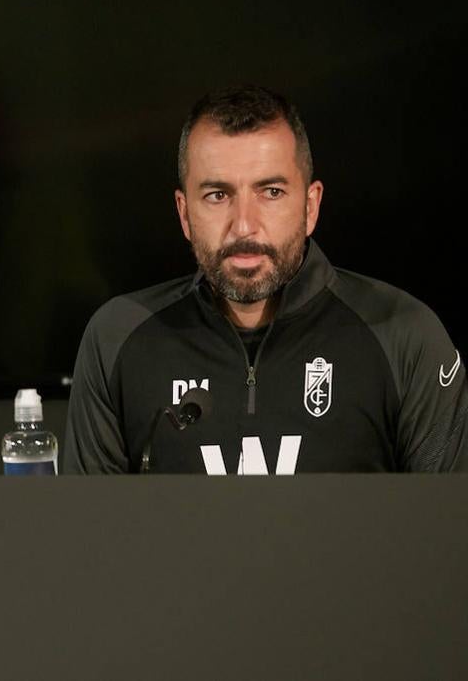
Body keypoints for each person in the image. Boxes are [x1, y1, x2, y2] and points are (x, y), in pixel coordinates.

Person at [62, 84, 466, 474]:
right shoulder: (117, 339)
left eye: (271, 191)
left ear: (311, 206)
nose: (244, 226)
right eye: (218, 195)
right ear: (184, 214)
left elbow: (447, 532)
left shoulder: (405, 336)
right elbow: (86, 536)